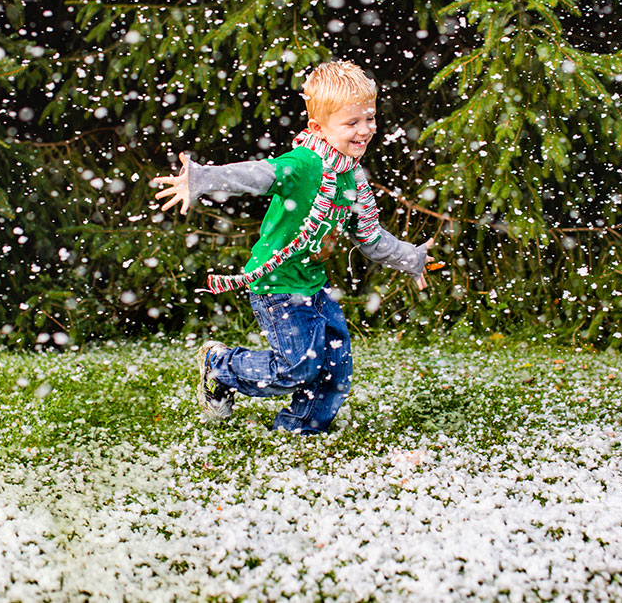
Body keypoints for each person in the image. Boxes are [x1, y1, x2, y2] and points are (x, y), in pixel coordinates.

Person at [150, 60, 435, 434]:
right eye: (352, 123)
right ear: (318, 127)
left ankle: (300, 428)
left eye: (370, 119)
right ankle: (219, 365)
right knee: (296, 366)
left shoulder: (351, 176)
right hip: (278, 283)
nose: (364, 130)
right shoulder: (304, 163)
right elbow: (259, 175)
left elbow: (370, 237)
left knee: (335, 365)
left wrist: (411, 256)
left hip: (311, 282)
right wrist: (203, 177)